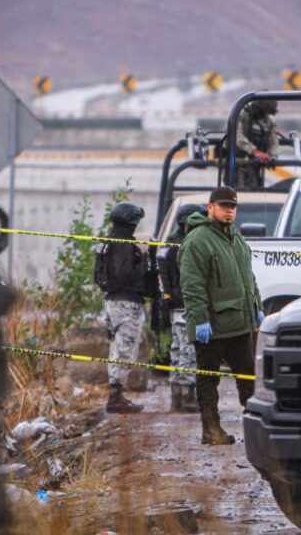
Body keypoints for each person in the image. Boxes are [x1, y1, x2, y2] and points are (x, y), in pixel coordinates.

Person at [178, 186, 264, 445]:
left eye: (232, 207)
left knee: (249, 376)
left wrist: (257, 307)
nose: (229, 211)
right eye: (223, 206)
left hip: (240, 323)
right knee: (208, 379)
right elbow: (192, 285)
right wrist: (200, 318)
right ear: (210, 208)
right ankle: (211, 430)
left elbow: (248, 278)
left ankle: (256, 428)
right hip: (212, 325)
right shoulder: (197, 240)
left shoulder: (236, 238)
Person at [94, 201, 150, 414]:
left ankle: (116, 395)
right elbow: (125, 274)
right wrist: (143, 262)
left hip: (111, 302)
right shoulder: (124, 245)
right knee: (126, 348)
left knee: (116, 348)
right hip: (127, 303)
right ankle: (116, 397)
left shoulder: (107, 242)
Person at [156, 203, 207, 413]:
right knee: (188, 351)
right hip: (187, 305)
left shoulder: (169, 245)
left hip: (174, 306)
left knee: (178, 350)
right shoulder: (186, 246)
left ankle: (177, 396)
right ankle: (187, 396)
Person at [234, 98, 279, 189]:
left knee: (254, 191)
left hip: (254, 165)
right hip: (236, 163)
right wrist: (255, 152)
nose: (266, 115)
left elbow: (273, 140)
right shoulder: (242, 115)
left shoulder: (269, 121)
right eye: (265, 112)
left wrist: (272, 157)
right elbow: (237, 137)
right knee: (236, 191)